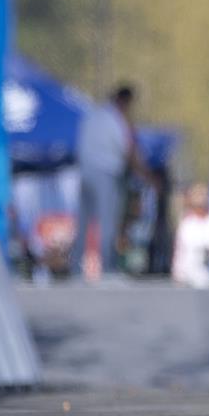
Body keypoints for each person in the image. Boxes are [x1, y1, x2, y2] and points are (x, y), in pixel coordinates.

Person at [72, 85, 150, 277]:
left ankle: (75, 269)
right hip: (106, 175)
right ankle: (107, 268)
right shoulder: (117, 119)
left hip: (85, 173)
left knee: (83, 223)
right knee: (107, 224)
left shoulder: (93, 115)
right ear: (125, 101)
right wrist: (147, 175)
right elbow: (129, 150)